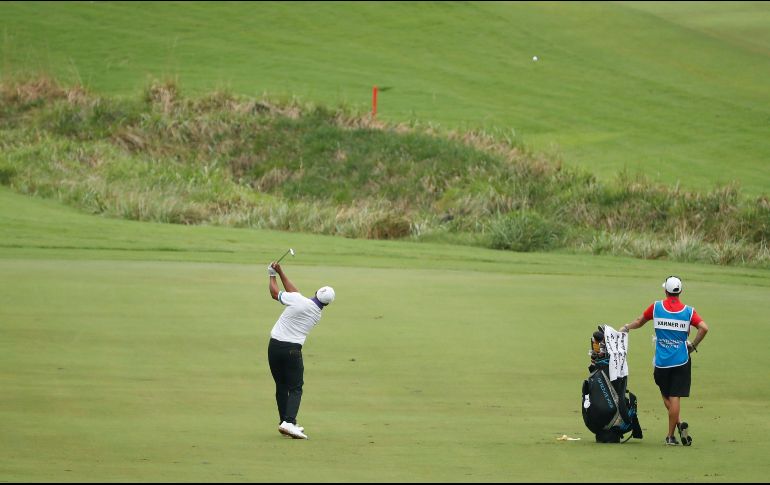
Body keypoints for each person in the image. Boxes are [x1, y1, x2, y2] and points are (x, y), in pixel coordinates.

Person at [620, 276, 708, 446]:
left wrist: (626, 327)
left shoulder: (656, 307)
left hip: (661, 362)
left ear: (665, 291)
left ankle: (677, 427)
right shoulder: (689, 311)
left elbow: (639, 321)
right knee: (675, 397)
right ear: (680, 291)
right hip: (681, 360)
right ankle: (671, 435)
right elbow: (704, 328)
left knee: (666, 396)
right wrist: (693, 345)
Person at [266, 261, 335, 440]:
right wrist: (280, 272)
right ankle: (289, 423)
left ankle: (285, 421)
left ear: (316, 292)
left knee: (281, 386)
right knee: (296, 387)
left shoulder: (299, 301)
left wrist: (272, 274)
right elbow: (295, 293)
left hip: (274, 347)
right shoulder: (317, 314)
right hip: (292, 351)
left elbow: (275, 293)